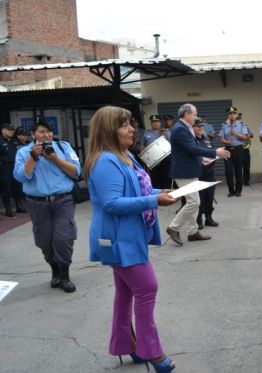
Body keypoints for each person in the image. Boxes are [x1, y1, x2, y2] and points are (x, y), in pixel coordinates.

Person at [83, 106, 177, 373]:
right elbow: (112, 203)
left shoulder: (124, 156)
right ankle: (152, 351)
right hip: (118, 240)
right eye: (125, 125)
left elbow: (138, 188)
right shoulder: (105, 162)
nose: (132, 129)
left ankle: (130, 345)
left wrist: (162, 192)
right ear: (110, 130)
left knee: (126, 293)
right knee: (147, 288)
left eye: (130, 124)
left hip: (129, 236)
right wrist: (153, 200)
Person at [13, 116, 81, 293]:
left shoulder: (63, 147)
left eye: (49, 131)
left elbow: (76, 171)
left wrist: (55, 159)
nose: (46, 135)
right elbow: (21, 176)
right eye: (42, 132)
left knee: (63, 238)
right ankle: (55, 271)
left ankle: (65, 275)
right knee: (44, 241)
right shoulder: (23, 152)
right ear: (33, 134)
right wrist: (33, 158)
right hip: (37, 204)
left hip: (62, 201)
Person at [166, 103, 230, 246]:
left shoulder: (184, 128)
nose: (196, 117)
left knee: (192, 202)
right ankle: (173, 227)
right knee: (194, 202)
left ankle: (192, 232)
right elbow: (192, 148)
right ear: (187, 114)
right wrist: (215, 152)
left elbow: (187, 151)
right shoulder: (180, 129)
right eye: (194, 114)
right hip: (184, 172)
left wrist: (202, 158)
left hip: (189, 170)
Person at [193, 118, 219, 229]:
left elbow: (211, 151)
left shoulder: (206, 138)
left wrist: (215, 157)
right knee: (200, 197)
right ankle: (198, 219)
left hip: (209, 171)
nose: (201, 128)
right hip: (198, 172)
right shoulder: (191, 140)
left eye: (202, 126)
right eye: (198, 126)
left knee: (209, 196)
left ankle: (209, 217)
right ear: (193, 127)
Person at [219, 106, 248, 197]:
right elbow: (222, 139)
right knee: (228, 171)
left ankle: (238, 190)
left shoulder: (242, 124)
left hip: (238, 149)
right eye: (230, 114)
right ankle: (231, 191)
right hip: (228, 149)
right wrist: (228, 142)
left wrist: (235, 133)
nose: (232, 115)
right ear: (228, 115)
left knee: (238, 170)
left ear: (236, 114)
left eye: (233, 113)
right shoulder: (224, 126)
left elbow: (245, 137)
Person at [142, 115, 171, 189]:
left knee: (166, 179)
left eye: (157, 122)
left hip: (165, 160)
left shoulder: (165, 132)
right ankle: (158, 196)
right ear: (151, 123)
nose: (155, 123)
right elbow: (142, 146)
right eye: (153, 122)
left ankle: (167, 195)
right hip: (152, 161)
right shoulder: (146, 133)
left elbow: (171, 144)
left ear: (160, 123)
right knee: (155, 180)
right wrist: (144, 158)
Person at [1, 123, 24, 216]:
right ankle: (8, 209)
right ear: (3, 131)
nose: (11, 131)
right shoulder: (0, 141)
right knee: (6, 189)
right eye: (9, 130)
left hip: (15, 167)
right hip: (5, 168)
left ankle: (19, 207)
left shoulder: (14, 141)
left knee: (17, 188)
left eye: (12, 130)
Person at [238, 113, 253, 186]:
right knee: (238, 166)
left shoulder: (244, 126)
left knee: (247, 165)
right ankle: (239, 181)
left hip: (245, 148)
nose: (239, 120)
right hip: (238, 148)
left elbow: (251, 134)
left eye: (240, 118)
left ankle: (246, 180)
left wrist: (248, 136)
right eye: (238, 118)